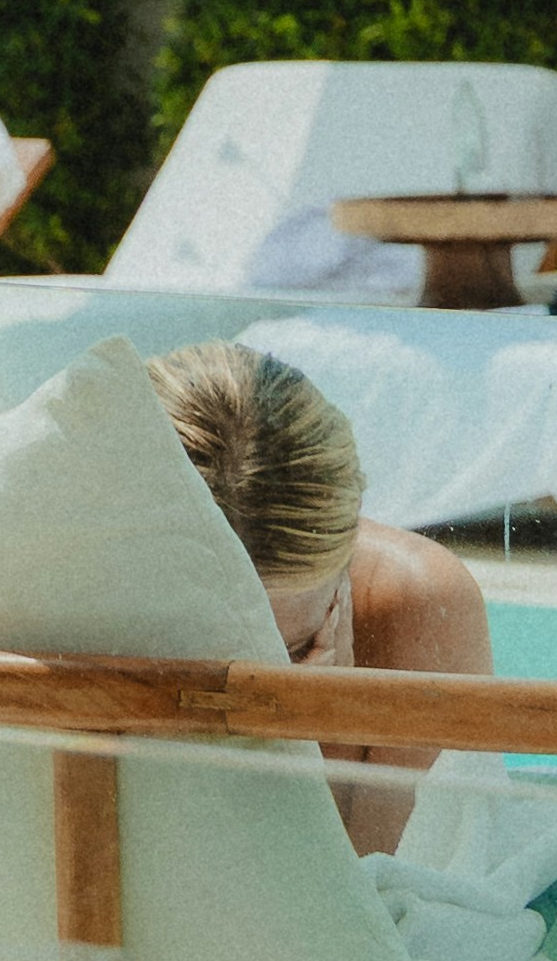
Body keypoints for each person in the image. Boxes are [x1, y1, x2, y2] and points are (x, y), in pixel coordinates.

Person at [155, 338, 489, 850]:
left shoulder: (417, 603)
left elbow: (388, 903)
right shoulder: (58, 580)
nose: (242, 678)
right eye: (194, 643)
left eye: (291, 649)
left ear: (345, 561)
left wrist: (314, 730)